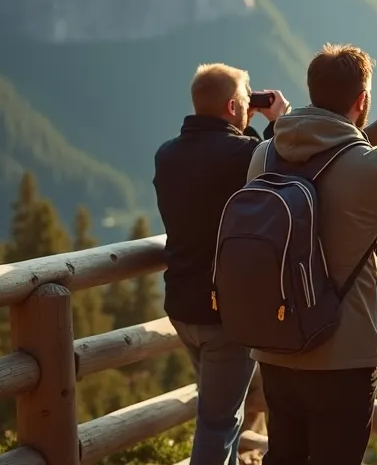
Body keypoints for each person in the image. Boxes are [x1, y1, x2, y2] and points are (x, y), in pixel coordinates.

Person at [246, 43, 377, 465]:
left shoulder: (265, 154)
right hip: (342, 353)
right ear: (361, 100)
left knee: (284, 457)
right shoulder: (370, 167)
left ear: (313, 91)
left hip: (277, 343)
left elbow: (330, 159)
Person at [153, 63, 289, 465]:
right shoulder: (244, 154)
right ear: (233, 106)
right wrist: (279, 122)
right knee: (218, 422)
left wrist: (245, 124)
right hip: (225, 314)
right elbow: (278, 173)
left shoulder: (167, 154)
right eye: (246, 102)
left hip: (183, 307)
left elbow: (226, 163)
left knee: (216, 412)